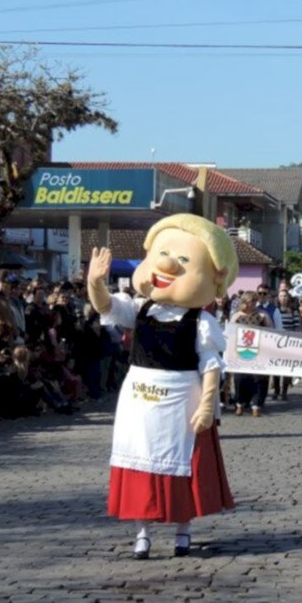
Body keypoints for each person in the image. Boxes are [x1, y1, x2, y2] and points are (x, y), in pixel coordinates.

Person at [88, 213, 238, 560]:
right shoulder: (140, 308)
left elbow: (211, 365)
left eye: (184, 260)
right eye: (163, 253)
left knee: (182, 464)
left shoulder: (201, 321)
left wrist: (206, 405)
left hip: (181, 398)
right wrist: (95, 283)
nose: (168, 263)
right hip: (140, 398)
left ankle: (183, 529)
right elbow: (106, 307)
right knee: (141, 462)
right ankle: (142, 532)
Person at [231, 292, 272, 416]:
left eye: (255, 301)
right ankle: (240, 403)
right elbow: (231, 333)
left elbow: (270, 332)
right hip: (241, 352)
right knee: (240, 379)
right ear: (244, 302)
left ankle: (256, 405)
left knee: (258, 379)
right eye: (251, 301)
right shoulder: (237, 316)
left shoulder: (262, 315)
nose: (254, 304)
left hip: (259, 352)